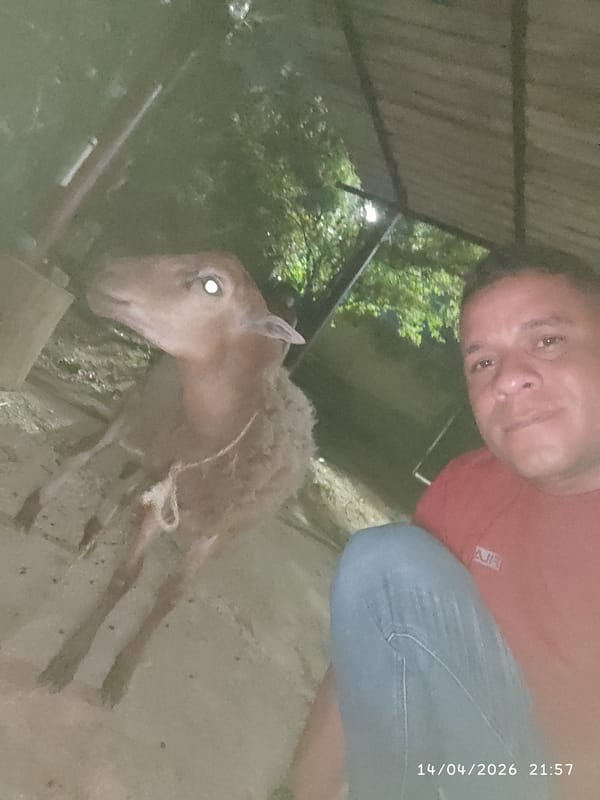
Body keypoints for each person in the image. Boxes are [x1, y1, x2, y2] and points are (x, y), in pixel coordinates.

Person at [269, 244, 600, 800]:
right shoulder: (470, 484)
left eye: (547, 341)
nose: (507, 380)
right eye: (482, 362)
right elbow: (381, 634)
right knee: (386, 562)